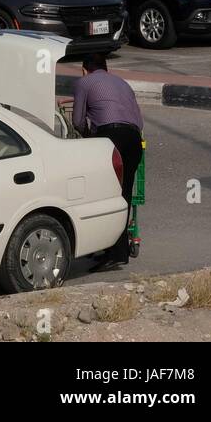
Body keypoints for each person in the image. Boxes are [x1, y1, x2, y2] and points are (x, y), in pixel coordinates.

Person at [71, 52, 144, 269]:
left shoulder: (84, 82)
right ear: (106, 68)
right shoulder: (122, 83)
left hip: (111, 138)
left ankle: (112, 249)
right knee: (124, 193)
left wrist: (88, 139)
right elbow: (138, 121)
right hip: (133, 139)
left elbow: (77, 120)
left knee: (105, 194)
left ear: (84, 70)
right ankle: (116, 250)